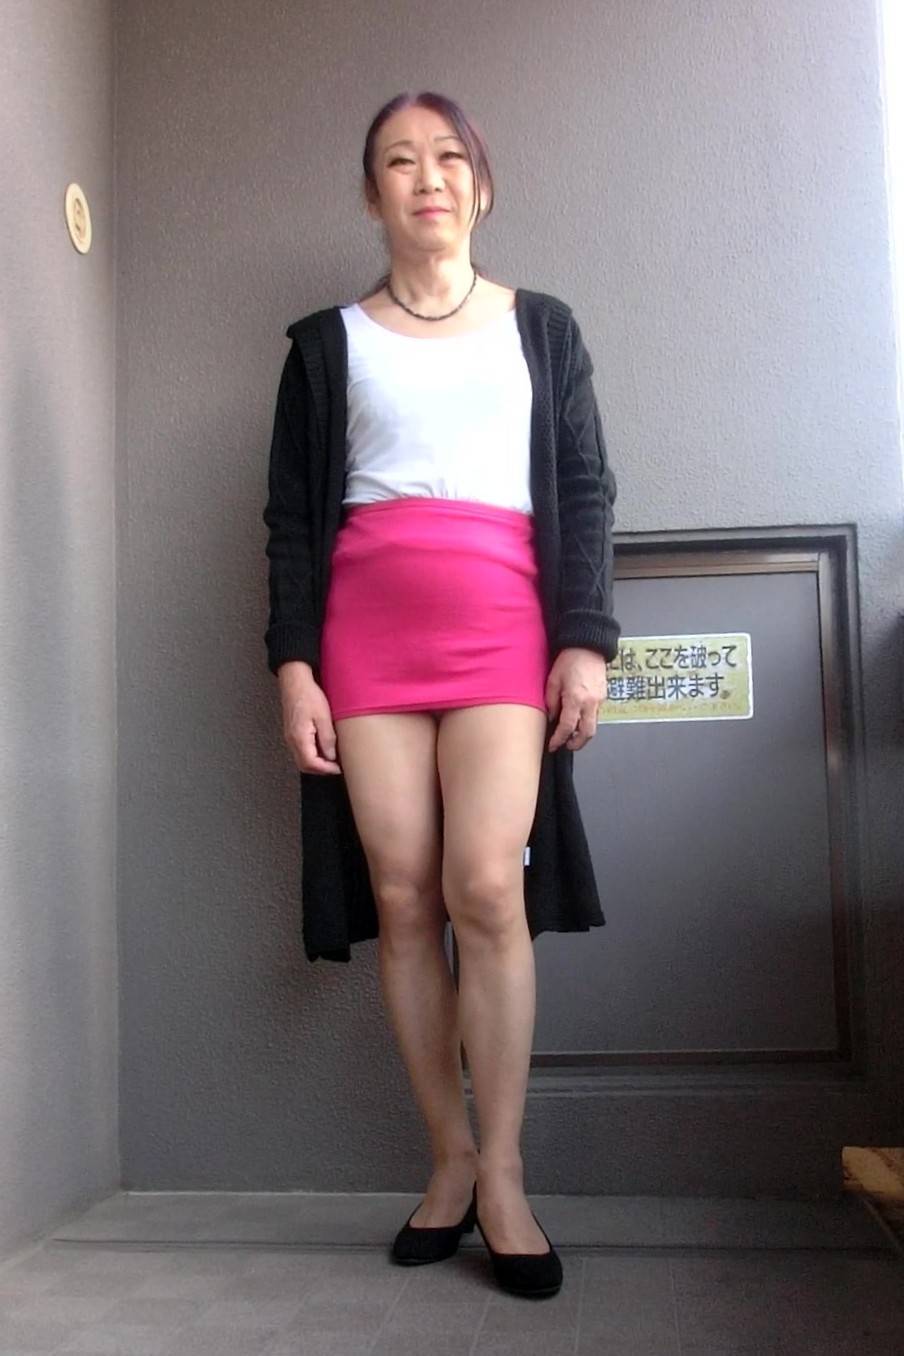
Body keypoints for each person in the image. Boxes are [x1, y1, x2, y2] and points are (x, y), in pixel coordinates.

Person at [262, 90, 620, 1299]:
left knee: (484, 886)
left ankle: (506, 1172)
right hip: (364, 639)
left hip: (502, 633)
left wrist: (586, 641)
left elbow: (586, 486)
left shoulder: (542, 328)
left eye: (449, 156)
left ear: (481, 182)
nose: (428, 177)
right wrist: (294, 665)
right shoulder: (325, 345)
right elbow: (290, 520)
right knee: (405, 894)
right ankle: (450, 1160)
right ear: (371, 195)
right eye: (400, 161)